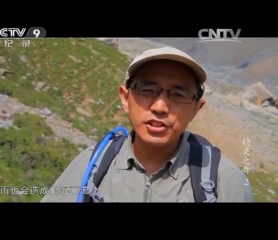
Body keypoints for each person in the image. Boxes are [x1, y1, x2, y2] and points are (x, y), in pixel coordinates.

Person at [41, 46, 253, 202]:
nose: (160, 106)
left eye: (178, 94)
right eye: (147, 90)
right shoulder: (89, 166)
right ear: (125, 98)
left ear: (196, 108)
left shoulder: (224, 181)